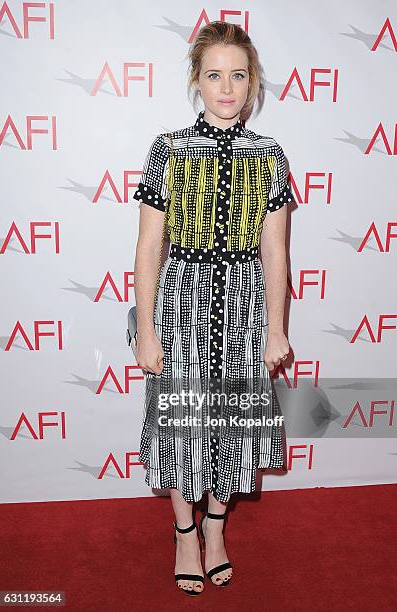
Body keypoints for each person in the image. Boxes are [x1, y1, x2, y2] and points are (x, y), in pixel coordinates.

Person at [133, 21, 295, 595]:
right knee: (182, 426)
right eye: (214, 75)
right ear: (197, 83)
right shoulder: (169, 149)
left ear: (253, 84)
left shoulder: (271, 156)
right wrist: (146, 330)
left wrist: (276, 329)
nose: (227, 87)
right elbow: (149, 245)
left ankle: (218, 531)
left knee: (232, 427)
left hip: (245, 307)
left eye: (239, 75)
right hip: (181, 305)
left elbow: (276, 249)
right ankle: (184, 534)